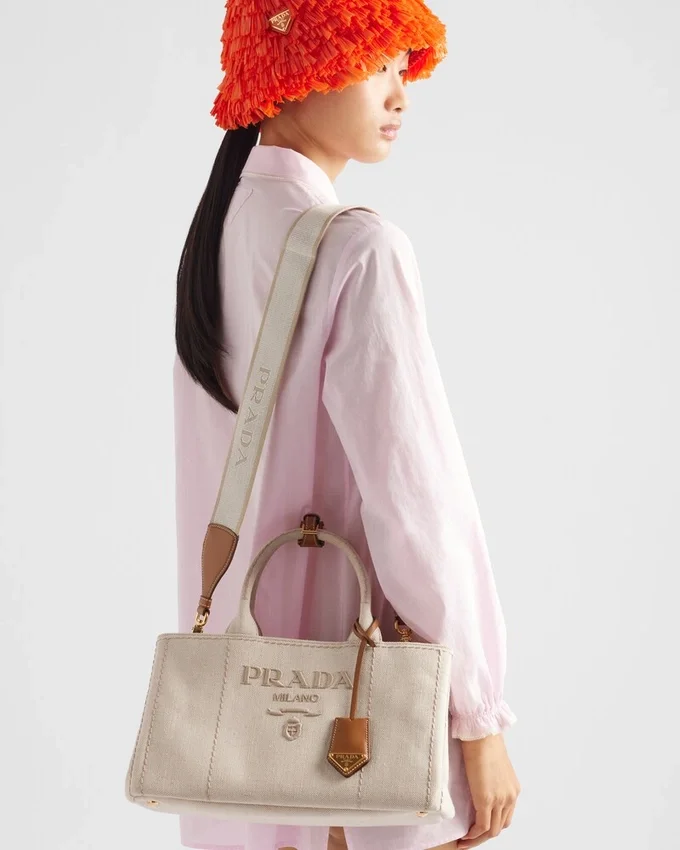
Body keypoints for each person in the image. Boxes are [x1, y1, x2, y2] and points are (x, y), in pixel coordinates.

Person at [173, 1, 521, 849]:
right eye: (376, 65)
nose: (400, 94)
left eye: (404, 68)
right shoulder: (359, 249)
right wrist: (479, 716)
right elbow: (418, 502)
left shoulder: (220, 233)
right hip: (354, 726)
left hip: (236, 730)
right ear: (295, 73)